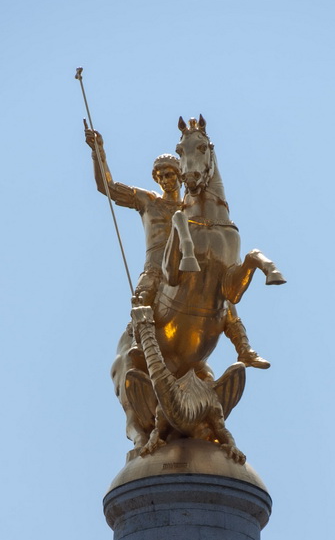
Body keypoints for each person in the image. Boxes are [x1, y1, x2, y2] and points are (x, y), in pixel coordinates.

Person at [85, 129, 269, 368]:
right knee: (142, 299)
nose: (165, 180)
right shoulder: (147, 201)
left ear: (180, 176)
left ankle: (244, 348)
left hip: (188, 267)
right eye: (160, 176)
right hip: (156, 268)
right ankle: (142, 349)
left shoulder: (190, 209)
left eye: (169, 174)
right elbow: (107, 187)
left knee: (221, 293)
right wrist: (98, 152)